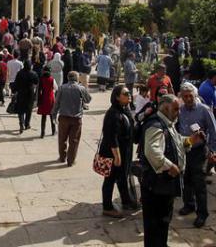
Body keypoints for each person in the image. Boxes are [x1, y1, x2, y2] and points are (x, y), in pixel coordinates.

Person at [139, 94, 202, 247]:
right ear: (165, 108)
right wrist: (171, 166)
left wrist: (189, 141)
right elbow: (152, 151)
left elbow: (175, 141)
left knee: (163, 221)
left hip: (164, 187)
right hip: (156, 187)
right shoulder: (156, 125)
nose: (178, 113)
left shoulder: (167, 124)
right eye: (175, 109)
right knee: (155, 225)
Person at [178, 83, 216, 228]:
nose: (188, 99)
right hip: (185, 150)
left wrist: (213, 150)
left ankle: (202, 214)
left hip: (200, 152)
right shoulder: (180, 110)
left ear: (195, 95)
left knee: (199, 183)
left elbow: (213, 131)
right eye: (185, 96)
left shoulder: (204, 110)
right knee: (186, 180)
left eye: (190, 96)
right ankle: (189, 204)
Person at [99, 85, 136, 218]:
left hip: (125, 150)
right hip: (114, 152)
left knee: (122, 177)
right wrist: (117, 156)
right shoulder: (113, 113)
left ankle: (126, 200)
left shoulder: (124, 110)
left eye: (129, 93)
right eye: (125, 93)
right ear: (117, 97)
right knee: (110, 179)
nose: (129, 95)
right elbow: (111, 136)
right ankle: (107, 207)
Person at [52, 71, 91, 166]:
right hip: (76, 118)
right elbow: (88, 100)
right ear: (77, 78)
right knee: (74, 140)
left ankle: (62, 157)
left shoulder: (62, 88)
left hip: (63, 117)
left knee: (62, 138)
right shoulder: (80, 88)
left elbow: (56, 103)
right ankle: (71, 160)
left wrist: (54, 114)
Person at [14, 60, 39, 133]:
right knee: (29, 109)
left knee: (20, 109)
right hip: (30, 93)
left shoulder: (20, 73)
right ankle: (27, 124)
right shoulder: (33, 73)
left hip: (21, 92)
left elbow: (16, 83)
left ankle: (21, 123)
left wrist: (15, 90)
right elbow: (36, 82)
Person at [37, 66, 58, 138]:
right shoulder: (52, 79)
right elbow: (56, 88)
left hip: (43, 98)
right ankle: (53, 131)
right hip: (51, 98)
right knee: (52, 115)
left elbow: (39, 90)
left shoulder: (41, 79)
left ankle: (42, 133)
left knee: (44, 117)